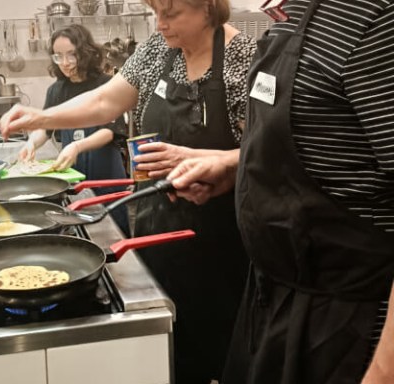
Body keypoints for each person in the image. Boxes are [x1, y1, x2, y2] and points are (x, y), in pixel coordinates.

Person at [0, 1, 256, 382]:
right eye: (156, 11)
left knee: (224, 352)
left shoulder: (246, 59)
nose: (161, 24)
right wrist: (43, 117)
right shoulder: (157, 49)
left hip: (223, 239)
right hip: (157, 227)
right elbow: (106, 100)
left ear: (207, 8)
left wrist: (211, 160)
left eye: (171, 14)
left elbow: (267, 149)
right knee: (167, 353)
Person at [166, 0, 394, 383]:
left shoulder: (375, 23)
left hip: (349, 329)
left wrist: (384, 372)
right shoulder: (291, 17)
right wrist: (239, 165)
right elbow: (333, 134)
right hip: (273, 303)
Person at [19, 24, 131, 237]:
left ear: (85, 52)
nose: (65, 63)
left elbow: (110, 131)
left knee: (113, 232)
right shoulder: (56, 90)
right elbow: (45, 128)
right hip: (73, 176)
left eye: (72, 55)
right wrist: (31, 144)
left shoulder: (107, 85)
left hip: (105, 176)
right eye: (58, 56)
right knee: (82, 233)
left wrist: (77, 146)